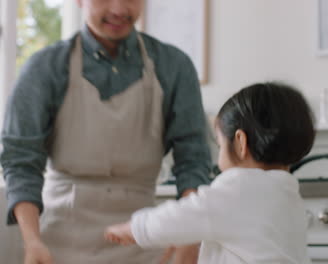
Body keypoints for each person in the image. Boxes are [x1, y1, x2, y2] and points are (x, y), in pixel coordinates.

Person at [0, 0, 211, 263]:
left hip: (144, 241)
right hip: (59, 243)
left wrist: (190, 236)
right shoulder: (44, 67)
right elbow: (21, 161)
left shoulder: (174, 66)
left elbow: (193, 159)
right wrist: (32, 241)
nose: (119, 10)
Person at [105, 82, 317, 264]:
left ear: (241, 142)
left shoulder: (239, 186)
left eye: (219, 144)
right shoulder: (287, 193)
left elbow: (184, 214)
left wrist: (135, 228)